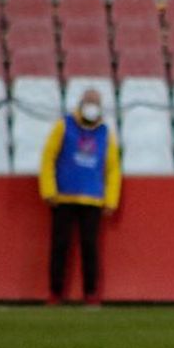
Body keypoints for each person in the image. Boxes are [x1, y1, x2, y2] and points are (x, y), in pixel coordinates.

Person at [38, 88, 120, 305]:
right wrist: (48, 190)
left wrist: (111, 200)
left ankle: (91, 293)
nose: (92, 107)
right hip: (63, 197)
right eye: (89, 101)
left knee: (90, 247)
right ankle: (55, 292)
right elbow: (48, 157)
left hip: (93, 199)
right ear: (81, 104)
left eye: (96, 102)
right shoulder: (64, 126)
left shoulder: (105, 133)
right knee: (60, 245)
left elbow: (113, 168)